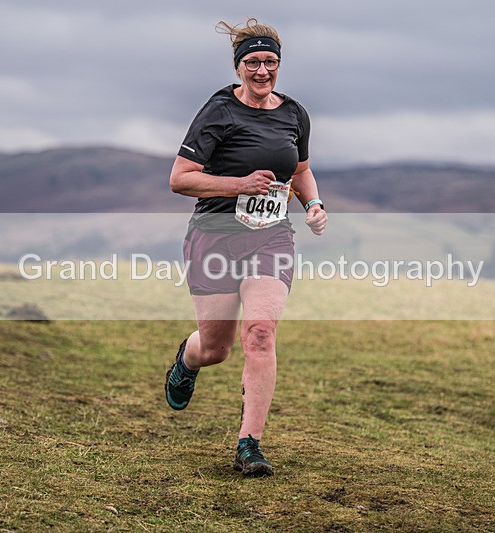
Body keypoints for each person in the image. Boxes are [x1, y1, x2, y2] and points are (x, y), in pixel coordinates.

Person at [165, 18, 327, 477]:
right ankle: (187, 359)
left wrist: (313, 204)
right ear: (239, 66)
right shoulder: (219, 111)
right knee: (216, 348)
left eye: (270, 62)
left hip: (272, 237)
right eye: (253, 62)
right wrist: (239, 185)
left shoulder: (294, 113)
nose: (262, 71)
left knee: (259, 333)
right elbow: (179, 179)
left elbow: (300, 170)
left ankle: (249, 444)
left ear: (279, 65)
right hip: (214, 235)